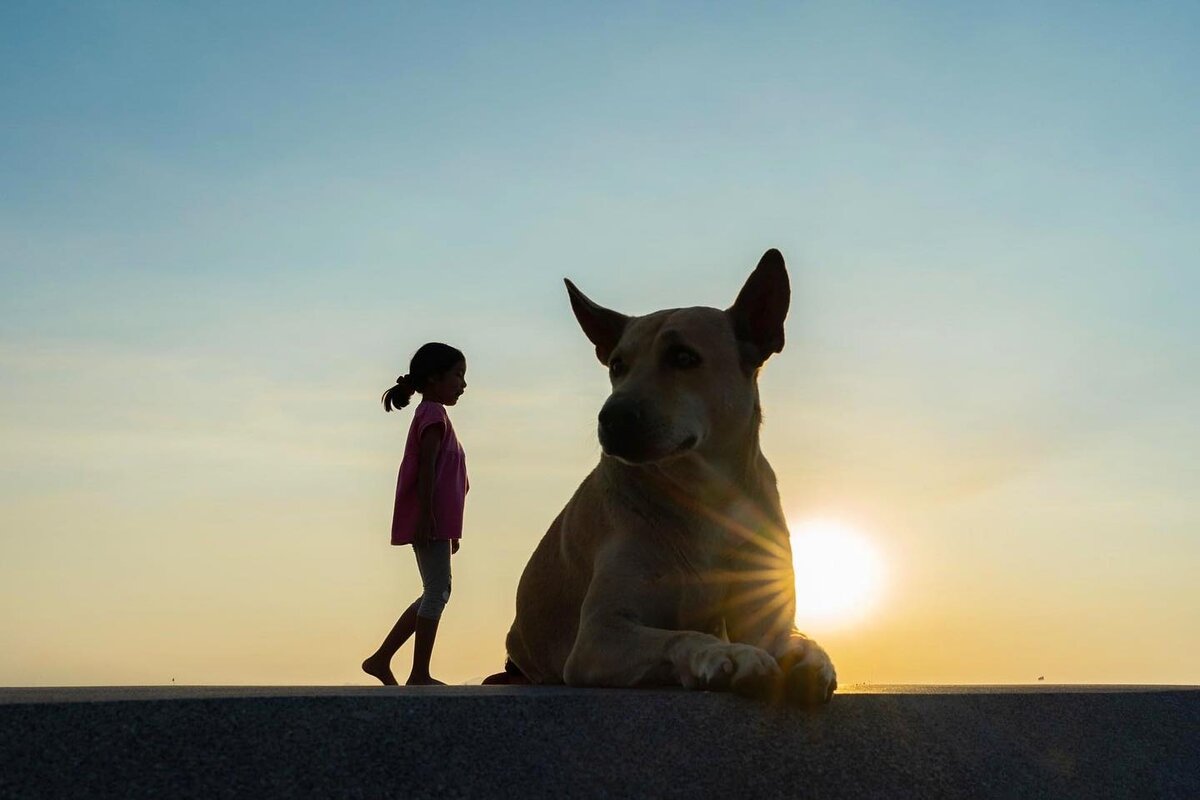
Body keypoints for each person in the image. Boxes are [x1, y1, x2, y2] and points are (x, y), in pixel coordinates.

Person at [362, 342, 468, 686]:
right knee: (438, 591)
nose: (462, 385)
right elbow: (427, 468)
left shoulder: (434, 415)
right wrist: (426, 517)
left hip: (438, 522)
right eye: (458, 376)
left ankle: (381, 659)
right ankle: (418, 673)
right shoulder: (433, 415)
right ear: (435, 379)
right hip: (430, 520)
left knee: (434, 590)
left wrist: (449, 531)